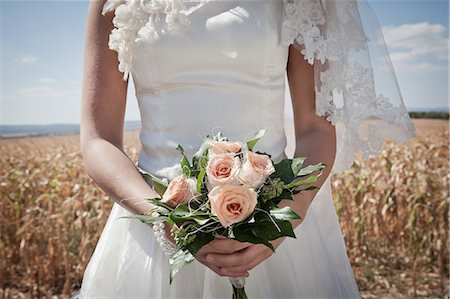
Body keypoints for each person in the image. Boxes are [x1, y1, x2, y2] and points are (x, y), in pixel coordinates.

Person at [78, 0, 415, 298]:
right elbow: (98, 140)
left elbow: (315, 129)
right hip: (154, 223)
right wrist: (162, 218)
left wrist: (286, 217)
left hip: (274, 223)